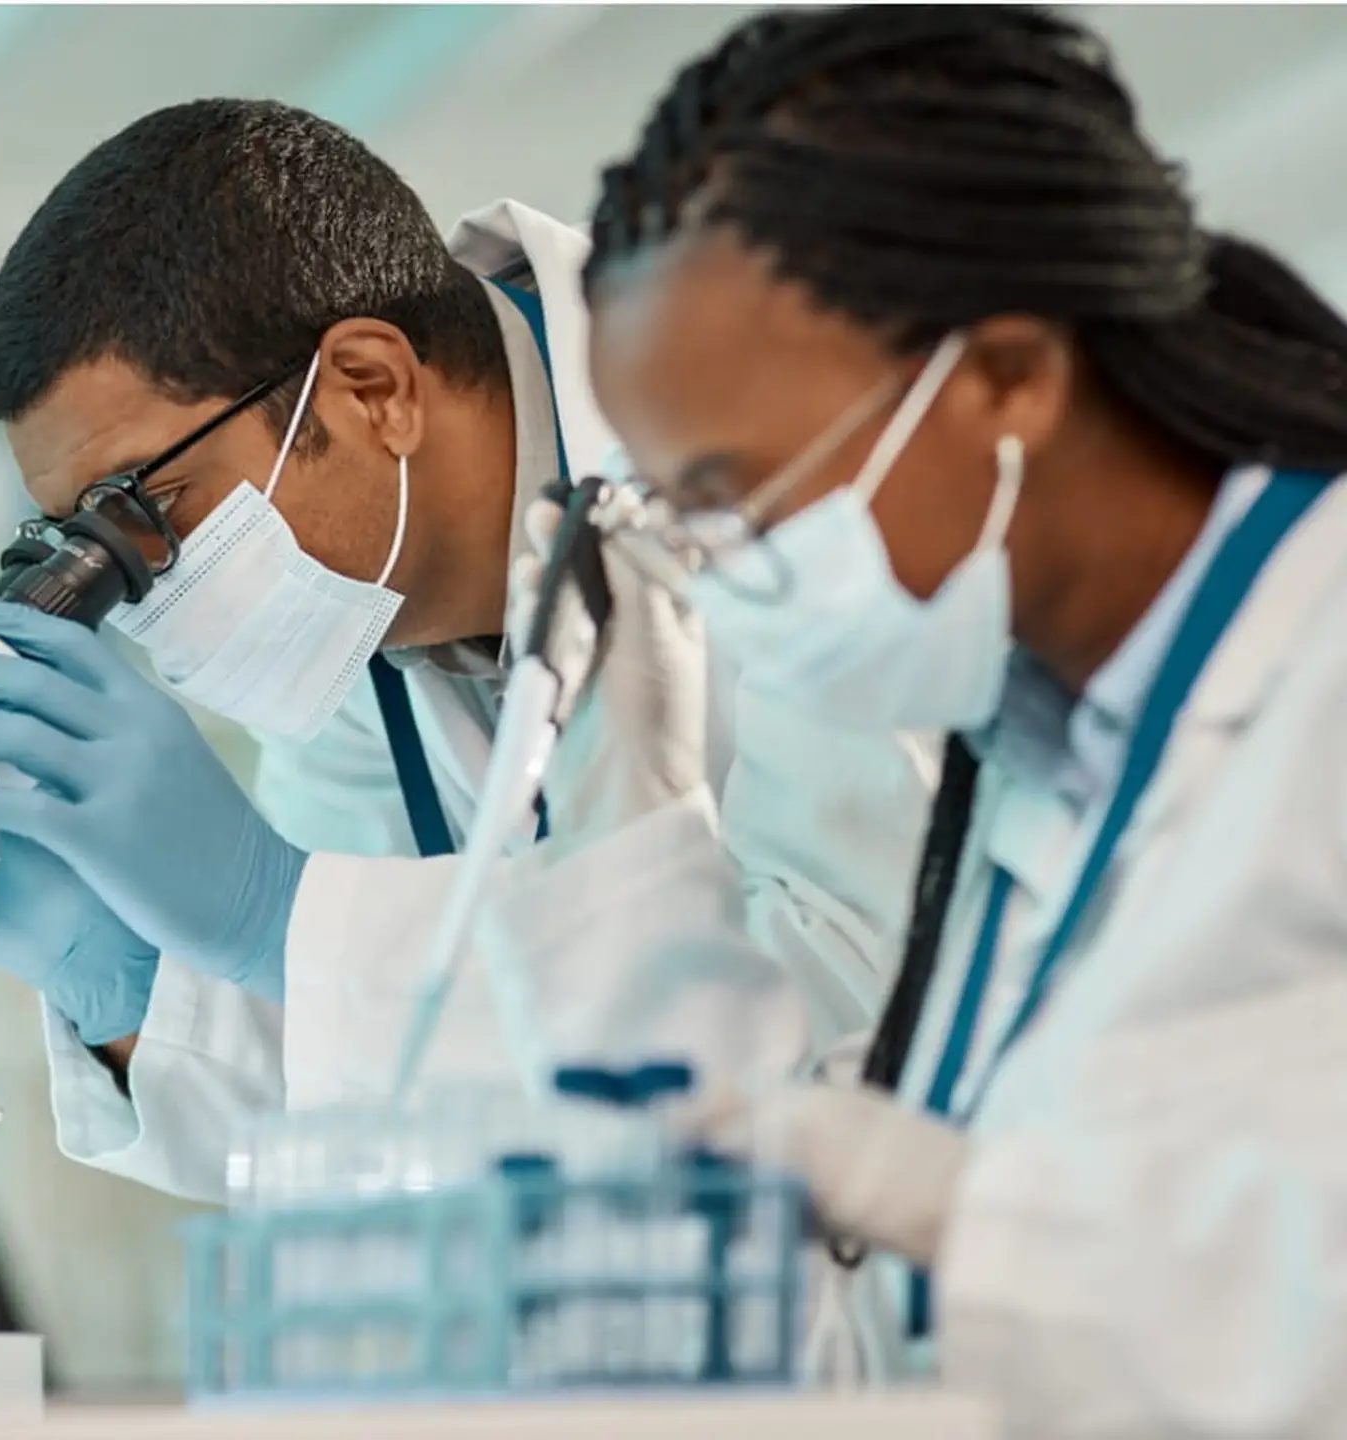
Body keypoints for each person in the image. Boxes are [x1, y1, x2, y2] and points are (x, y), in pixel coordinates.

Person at [492, 5, 1347, 1431]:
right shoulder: (1023, 755)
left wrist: (968, 1207)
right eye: (675, 509)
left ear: (1007, 377)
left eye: (732, 488)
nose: (709, 564)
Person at [0, 99, 937, 1202]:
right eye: (79, 538)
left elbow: (866, 1007)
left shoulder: (804, 455)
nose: (140, 584)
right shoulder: (357, 630)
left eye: (143, 504)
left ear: (372, 388)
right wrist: (128, 982)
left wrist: (276, 916)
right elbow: (377, 1112)